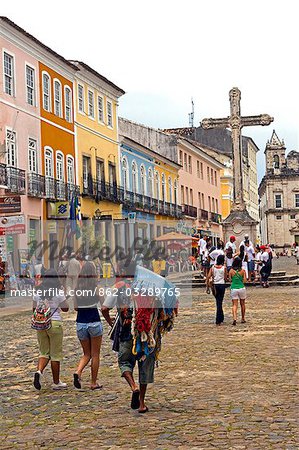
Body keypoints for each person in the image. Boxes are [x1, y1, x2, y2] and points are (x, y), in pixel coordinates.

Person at [33, 268, 69, 390]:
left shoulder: (37, 291)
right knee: (55, 354)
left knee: (43, 352)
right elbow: (65, 309)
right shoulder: (58, 292)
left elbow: (34, 309)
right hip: (55, 323)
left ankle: (39, 371)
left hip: (41, 323)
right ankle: (56, 382)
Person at [73, 261, 103, 390]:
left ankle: (78, 371)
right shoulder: (96, 288)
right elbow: (104, 305)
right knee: (95, 354)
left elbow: (75, 308)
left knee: (86, 354)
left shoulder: (76, 290)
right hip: (94, 322)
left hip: (80, 323)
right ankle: (93, 382)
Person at [206, 254, 227, 326]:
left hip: (215, 285)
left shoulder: (212, 267)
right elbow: (225, 278)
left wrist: (207, 286)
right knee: (219, 301)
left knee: (218, 301)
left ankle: (221, 317)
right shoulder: (224, 268)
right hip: (222, 285)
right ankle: (219, 318)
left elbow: (208, 276)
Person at [229, 257, 247, 325]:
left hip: (234, 288)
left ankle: (234, 318)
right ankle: (243, 318)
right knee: (242, 304)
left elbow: (230, 280)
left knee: (234, 304)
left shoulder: (231, 271)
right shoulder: (242, 271)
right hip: (241, 288)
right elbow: (245, 280)